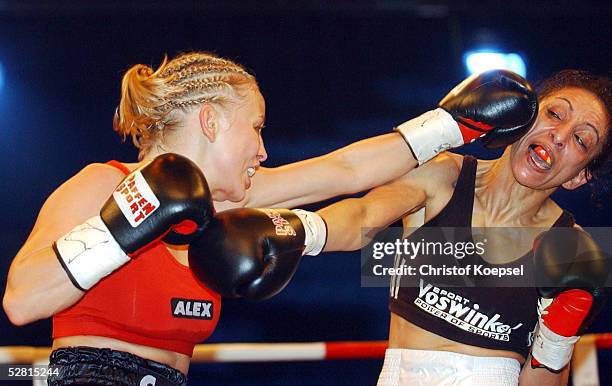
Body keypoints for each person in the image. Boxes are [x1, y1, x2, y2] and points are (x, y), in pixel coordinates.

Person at [1, 51, 535, 385]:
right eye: (254, 127)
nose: (262, 148)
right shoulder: (101, 184)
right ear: (210, 122)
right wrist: (122, 227)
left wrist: (449, 126)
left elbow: (343, 169)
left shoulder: (229, 205)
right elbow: (21, 300)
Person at [195, 69, 612, 386]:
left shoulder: (571, 249)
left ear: (579, 176)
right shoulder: (444, 176)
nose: (559, 136)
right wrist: (302, 230)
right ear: (523, 117)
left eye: (581, 140)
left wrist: (556, 342)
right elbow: (363, 216)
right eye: (555, 114)